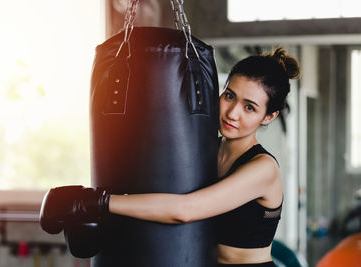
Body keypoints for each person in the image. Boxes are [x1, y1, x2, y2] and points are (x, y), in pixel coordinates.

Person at [40, 47, 300, 266]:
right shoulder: (204, 150)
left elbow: (185, 210)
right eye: (229, 96)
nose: (232, 113)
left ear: (269, 116)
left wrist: (93, 202)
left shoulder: (263, 169)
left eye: (249, 107)